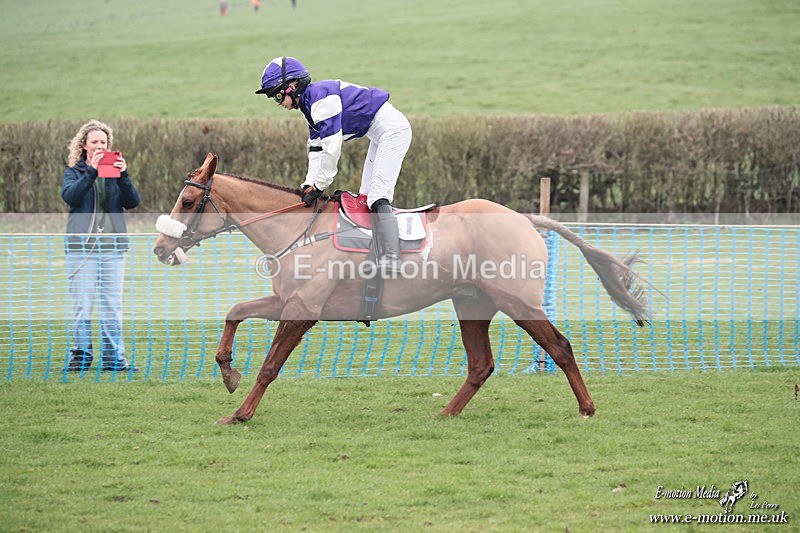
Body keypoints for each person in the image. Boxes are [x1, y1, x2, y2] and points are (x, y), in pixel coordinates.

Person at [255, 56, 412, 273]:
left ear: (292, 87)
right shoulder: (309, 105)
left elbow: (332, 147)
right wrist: (308, 183)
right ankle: (376, 251)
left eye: (278, 96)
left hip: (393, 131)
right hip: (378, 134)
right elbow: (316, 148)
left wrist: (321, 184)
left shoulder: (320, 99)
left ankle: (392, 258)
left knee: (378, 196)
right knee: (366, 197)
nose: (279, 103)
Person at [61, 120, 141, 373]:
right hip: (81, 249)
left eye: (103, 142)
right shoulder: (74, 172)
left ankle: (114, 360)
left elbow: (133, 202)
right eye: (94, 142)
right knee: (82, 304)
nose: (99, 146)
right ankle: (81, 358)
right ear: (84, 145)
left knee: (111, 304)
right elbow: (70, 197)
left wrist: (125, 175)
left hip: (112, 248)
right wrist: (92, 171)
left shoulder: (115, 173)